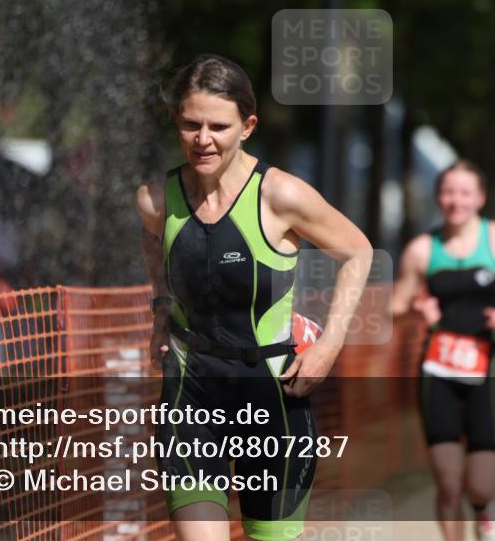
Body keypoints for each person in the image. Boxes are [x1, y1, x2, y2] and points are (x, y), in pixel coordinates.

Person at [135, 54, 372, 541]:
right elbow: (154, 247)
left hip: (271, 395)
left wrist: (328, 346)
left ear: (247, 127)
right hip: (191, 393)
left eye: (218, 127)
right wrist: (161, 309)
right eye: (190, 124)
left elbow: (358, 252)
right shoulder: (156, 199)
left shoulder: (281, 195)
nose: (203, 139)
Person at [391, 160, 495, 541]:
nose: (456, 201)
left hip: (486, 365)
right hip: (437, 368)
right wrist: (416, 309)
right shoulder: (421, 250)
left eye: (465, 193)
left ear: (480, 197)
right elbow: (394, 307)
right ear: (438, 197)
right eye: (448, 192)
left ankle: (483, 508)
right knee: (448, 483)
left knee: (479, 485)